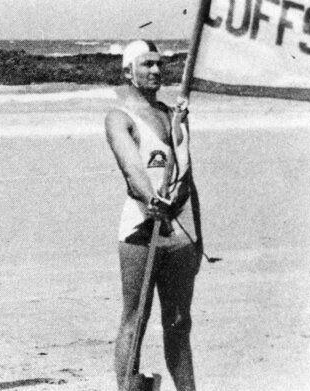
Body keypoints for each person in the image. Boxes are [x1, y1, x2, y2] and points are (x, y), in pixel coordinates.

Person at [105, 40, 200, 391]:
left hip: (179, 230)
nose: (156, 71)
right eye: (146, 65)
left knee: (178, 322)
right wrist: (152, 198)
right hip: (140, 228)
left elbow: (188, 180)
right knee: (136, 318)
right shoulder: (119, 117)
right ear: (128, 71)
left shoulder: (175, 115)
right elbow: (132, 171)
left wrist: (197, 236)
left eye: (159, 65)